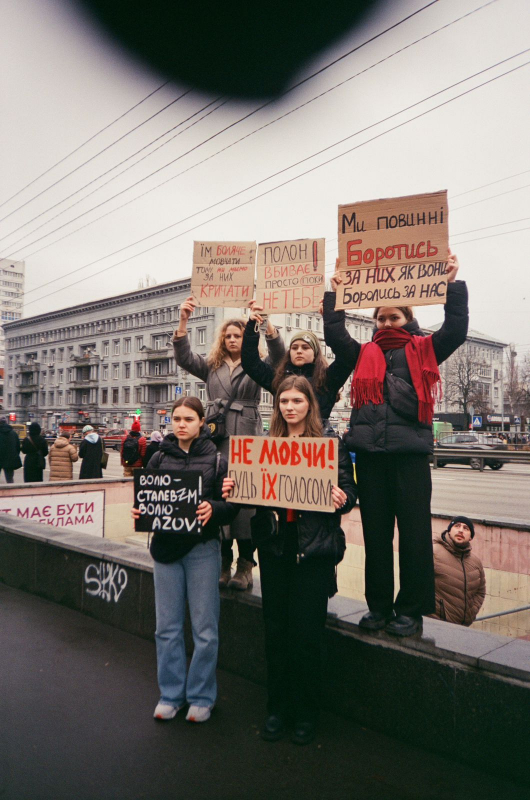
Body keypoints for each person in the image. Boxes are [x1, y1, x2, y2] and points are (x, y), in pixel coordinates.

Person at [323, 251, 468, 637]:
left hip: (409, 460)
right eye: (381, 318)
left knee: (415, 537)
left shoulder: (424, 348)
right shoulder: (362, 353)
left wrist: (452, 285)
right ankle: (379, 608)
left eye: (394, 317)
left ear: (408, 319)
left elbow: (456, 329)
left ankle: (411, 611)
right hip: (371, 460)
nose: (386, 323)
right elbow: (335, 334)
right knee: (376, 537)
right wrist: (335, 293)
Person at [223, 376, 357, 745]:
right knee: (276, 631)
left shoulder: (329, 443)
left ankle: (306, 712)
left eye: (297, 400)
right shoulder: (266, 443)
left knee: (307, 635)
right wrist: (233, 488)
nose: (290, 407)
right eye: (284, 401)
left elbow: (350, 490)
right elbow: (250, 492)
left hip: (312, 552)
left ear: (309, 403)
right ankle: (277, 708)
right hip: (275, 550)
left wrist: (342, 498)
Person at [132, 397, 238, 723]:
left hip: (203, 550)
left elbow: (231, 507)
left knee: (205, 630)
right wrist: (140, 510)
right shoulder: (159, 456)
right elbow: (146, 498)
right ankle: (171, 695)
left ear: (202, 422)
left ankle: (202, 697)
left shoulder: (218, 460)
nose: (181, 424)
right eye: (177, 418)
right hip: (165, 550)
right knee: (167, 628)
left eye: (188, 419)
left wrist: (214, 509)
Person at [173, 295, 285, 591]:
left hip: (247, 436)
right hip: (217, 436)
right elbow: (184, 358)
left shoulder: (256, 364)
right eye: (228, 336)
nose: (233, 339)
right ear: (222, 340)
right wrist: (183, 320)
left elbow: (279, 356)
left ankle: (246, 564)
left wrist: (265, 322)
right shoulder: (211, 366)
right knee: (219, 493)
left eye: (238, 335)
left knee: (247, 499)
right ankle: (224, 561)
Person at [242, 304, 353, 424]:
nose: (299, 351)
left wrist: (331, 320)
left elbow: (347, 356)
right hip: (284, 434)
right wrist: (252, 325)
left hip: (316, 435)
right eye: (294, 348)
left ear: (315, 353)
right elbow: (250, 363)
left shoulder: (327, 379)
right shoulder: (279, 378)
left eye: (305, 347)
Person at [430, 517, 486, 626]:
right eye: (457, 526)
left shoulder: (476, 562)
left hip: (462, 627)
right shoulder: (434, 552)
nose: (461, 530)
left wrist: (471, 613)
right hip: (436, 624)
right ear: (449, 531)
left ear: (471, 537)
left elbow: (481, 591)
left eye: (466, 528)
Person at [0, 416, 22, 483]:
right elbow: (18, 447)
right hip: (10, 458)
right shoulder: (13, 433)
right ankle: (11, 489)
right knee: (10, 479)